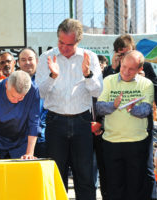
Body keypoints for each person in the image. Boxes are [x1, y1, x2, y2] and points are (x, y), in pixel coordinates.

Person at [35, 18, 103, 200]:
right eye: (61, 42)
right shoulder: (46, 57)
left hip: (82, 122)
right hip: (55, 122)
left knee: (85, 177)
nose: (64, 48)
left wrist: (87, 74)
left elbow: (98, 91)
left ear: (78, 41)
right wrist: (52, 76)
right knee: (57, 177)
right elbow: (39, 93)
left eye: (69, 44)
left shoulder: (90, 57)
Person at [103, 34, 157, 199]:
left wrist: (142, 78)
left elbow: (154, 89)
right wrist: (112, 68)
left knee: (144, 172)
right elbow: (101, 98)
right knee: (116, 177)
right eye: (121, 54)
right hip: (115, 135)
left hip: (141, 131)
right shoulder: (110, 71)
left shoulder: (145, 67)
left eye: (127, 52)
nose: (125, 58)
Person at [0, 70, 40, 161]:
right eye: (12, 96)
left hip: (22, 142)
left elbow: (34, 123)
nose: (16, 101)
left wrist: (29, 153)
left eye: (21, 98)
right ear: (7, 84)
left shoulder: (33, 90)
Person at [18, 47, 47, 158]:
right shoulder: (13, 82)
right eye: (23, 60)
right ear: (18, 62)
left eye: (30, 59)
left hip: (42, 139)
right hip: (20, 141)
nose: (27, 63)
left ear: (37, 61)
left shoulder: (46, 81)